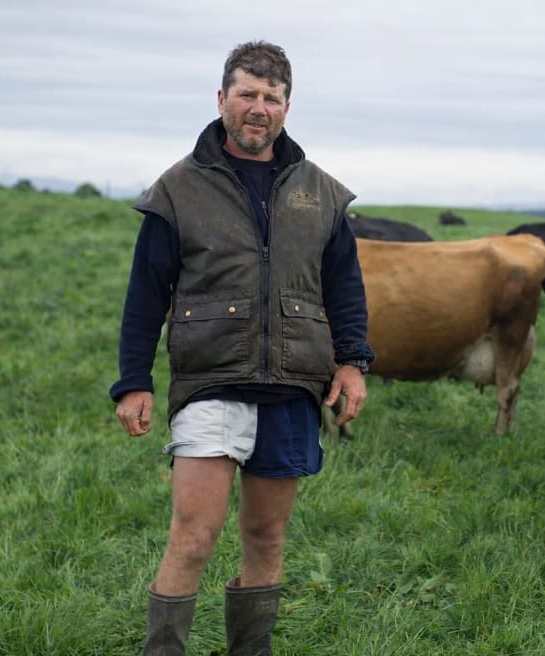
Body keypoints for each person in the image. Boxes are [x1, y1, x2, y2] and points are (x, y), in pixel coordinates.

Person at [109, 40, 374, 655]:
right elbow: (146, 293)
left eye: (271, 98)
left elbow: (345, 287)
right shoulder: (178, 189)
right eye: (247, 95)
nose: (259, 108)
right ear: (222, 98)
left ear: (287, 107)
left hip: (291, 388)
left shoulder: (322, 193)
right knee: (194, 537)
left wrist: (354, 362)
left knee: (265, 538)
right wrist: (133, 380)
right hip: (210, 383)